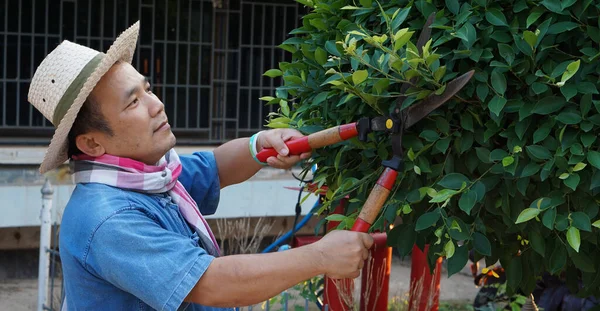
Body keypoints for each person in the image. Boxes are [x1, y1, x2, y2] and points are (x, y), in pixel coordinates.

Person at [28, 21, 373, 310]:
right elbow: (211, 283)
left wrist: (261, 145)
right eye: (133, 102)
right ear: (91, 143)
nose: (156, 105)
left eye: (147, 90)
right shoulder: (106, 218)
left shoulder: (150, 176)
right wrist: (319, 258)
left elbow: (215, 167)